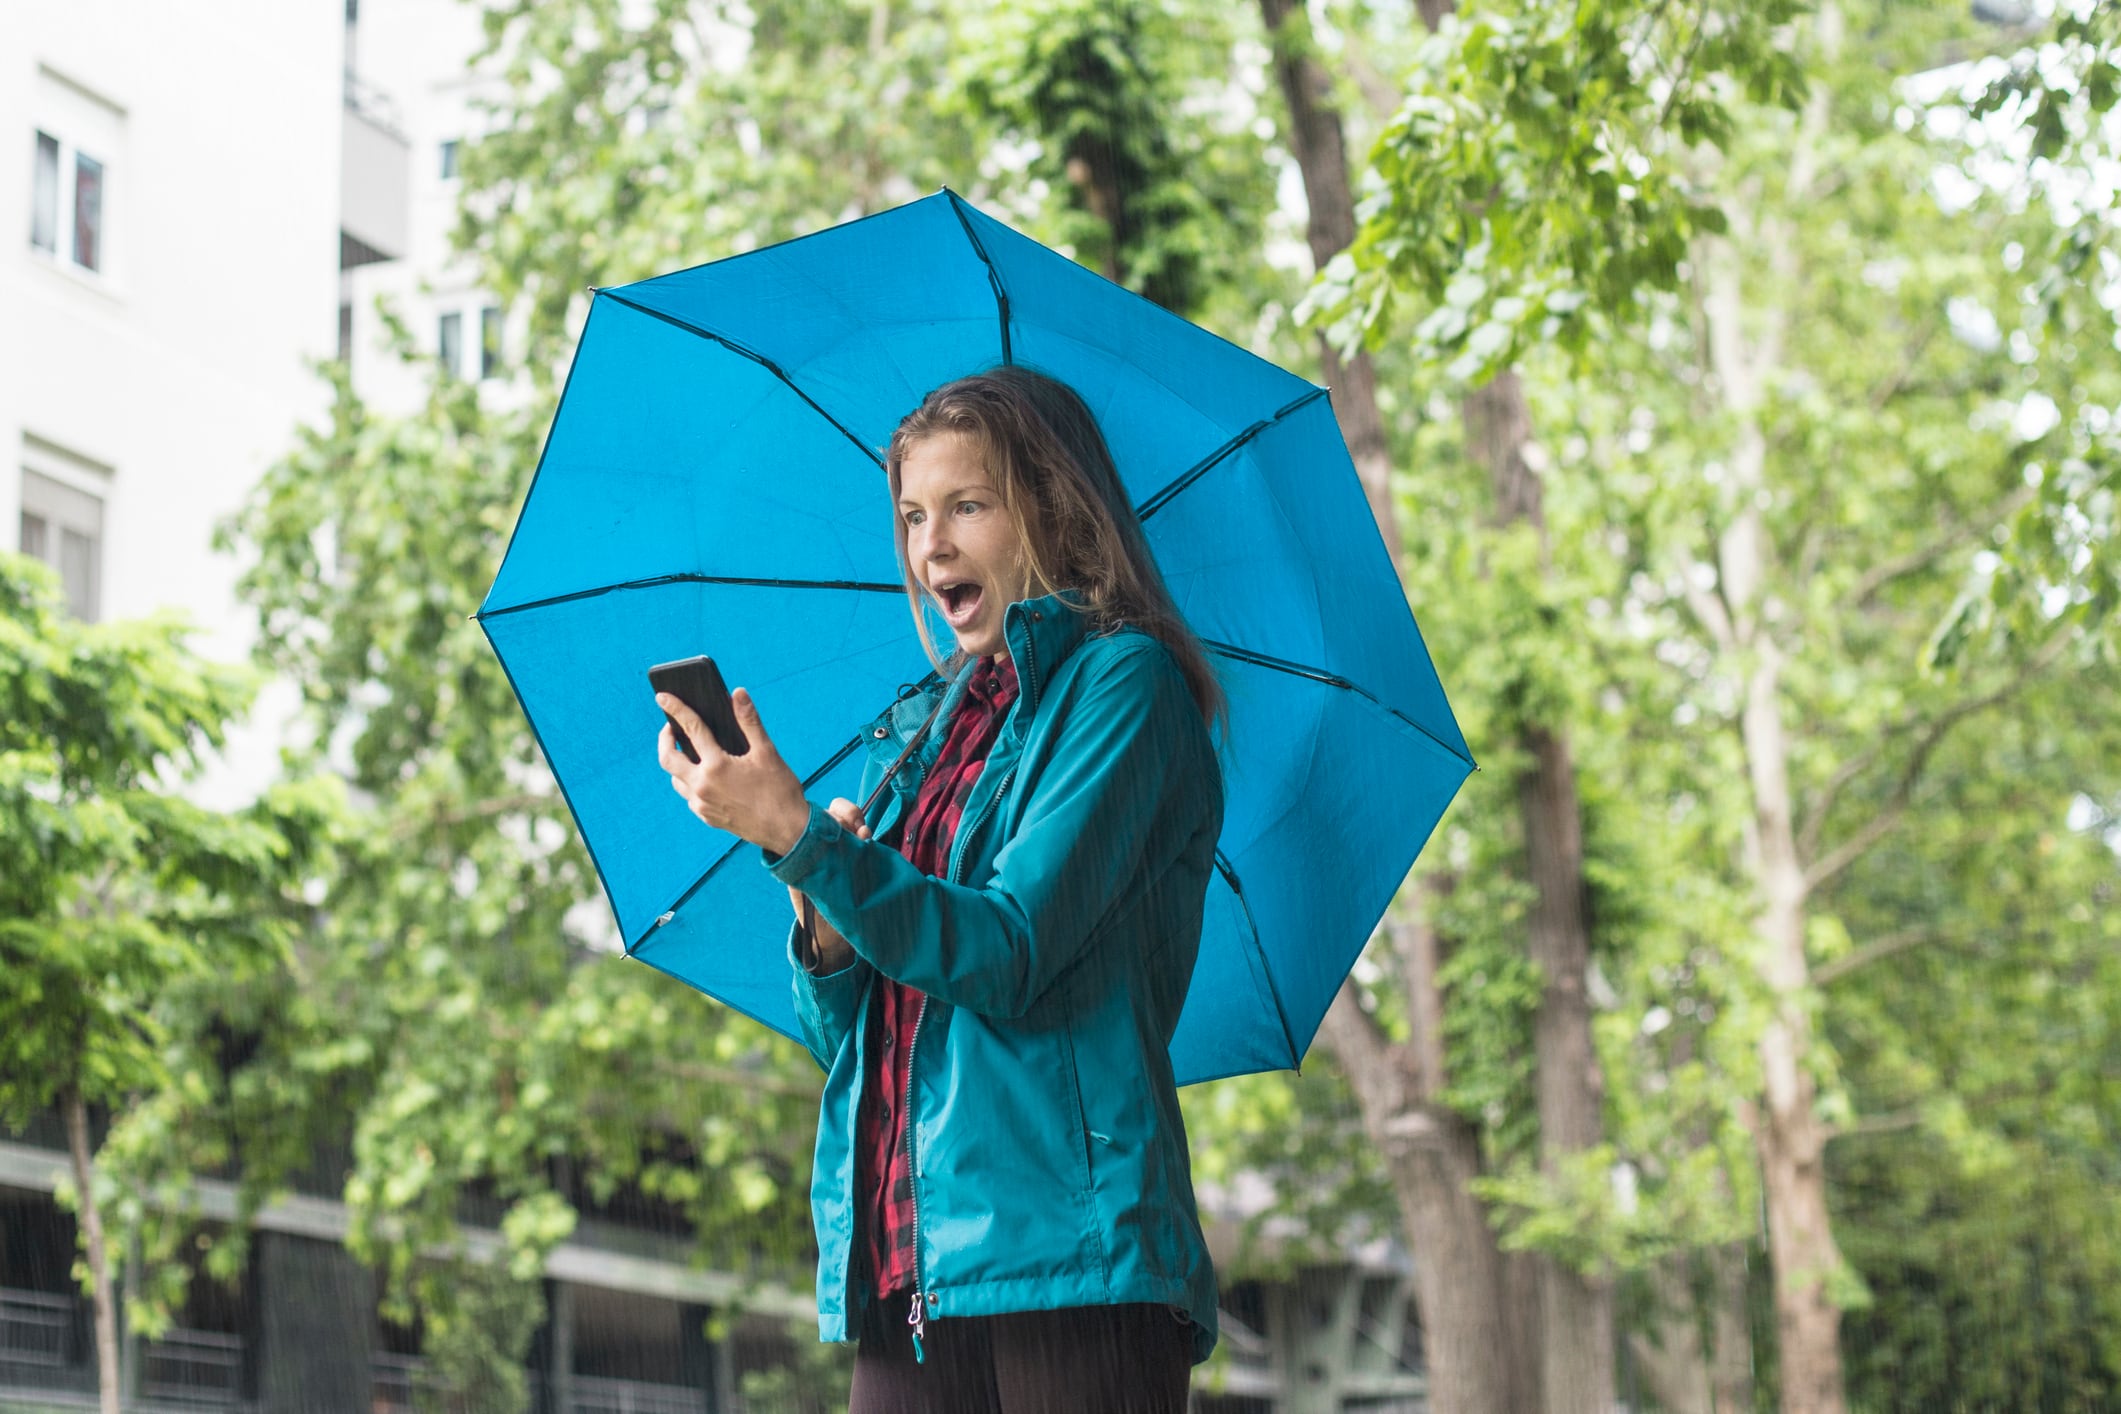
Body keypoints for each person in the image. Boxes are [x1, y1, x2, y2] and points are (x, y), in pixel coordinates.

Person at [655, 366, 1225, 1413]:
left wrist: (802, 837)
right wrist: (821, 920)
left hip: (1073, 1257)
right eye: (915, 514)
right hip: (911, 1262)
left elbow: (1005, 951)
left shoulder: (1124, 687)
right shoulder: (932, 728)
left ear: (1053, 510)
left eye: (969, 505)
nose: (932, 546)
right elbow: (868, 1039)